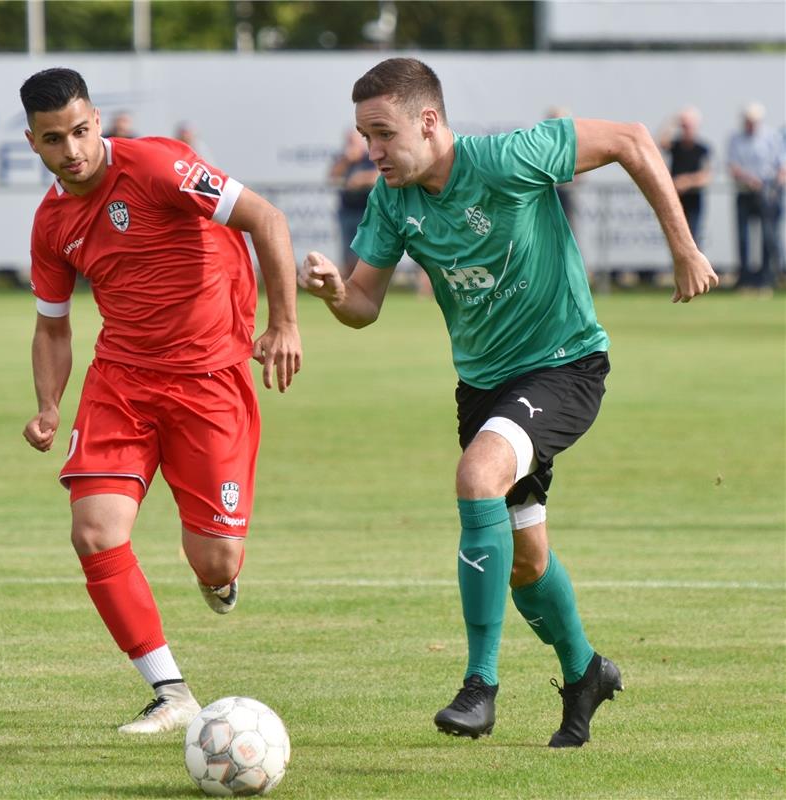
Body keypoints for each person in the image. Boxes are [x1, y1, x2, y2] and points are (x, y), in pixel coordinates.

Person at [299, 58, 717, 748]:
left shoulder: (508, 157)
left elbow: (633, 140)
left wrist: (682, 249)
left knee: (476, 478)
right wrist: (333, 293)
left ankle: (478, 686)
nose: (370, 151)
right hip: (484, 389)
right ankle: (585, 672)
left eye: (382, 133)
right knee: (523, 564)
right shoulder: (391, 200)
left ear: (428, 123)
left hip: (563, 366)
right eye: (361, 135)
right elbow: (364, 304)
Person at [20, 68, 302, 734]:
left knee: (215, 560)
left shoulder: (158, 166)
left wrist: (284, 323)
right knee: (92, 531)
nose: (74, 150)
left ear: (98, 121)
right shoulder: (51, 222)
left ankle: (220, 576)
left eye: (82, 131)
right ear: (32, 142)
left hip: (209, 384)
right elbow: (52, 324)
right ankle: (171, 692)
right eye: (55, 139)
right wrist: (50, 405)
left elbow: (266, 218)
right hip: (122, 383)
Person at [727, 102, 786, 294]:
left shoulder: (772, 137)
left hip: (768, 194)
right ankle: (744, 279)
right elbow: (733, 166)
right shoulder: (735, 138)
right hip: (745, 192)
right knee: (743, 237)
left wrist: (774, 185)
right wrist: (749, 179)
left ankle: (766, 279)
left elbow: (781, 165)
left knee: (768, 237)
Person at [328, 128, 379, 277]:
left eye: (354, 140)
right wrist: (346, 161)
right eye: (348, 141)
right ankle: (349, 285)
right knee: (347, 254)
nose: (351, 144)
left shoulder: (371, 157)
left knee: (366, 253)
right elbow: (332, 177)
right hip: (346, 212)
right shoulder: (342, 159)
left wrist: (361, 179)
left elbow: (380, 176)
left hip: (367, 212)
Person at [658, 107, 712, 245]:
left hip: (694, 200)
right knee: (676, 240)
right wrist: (673, 122)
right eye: (684, 126)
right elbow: (659, 143)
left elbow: (706, 175)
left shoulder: (702, 149)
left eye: (689, 126)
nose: (686, 130)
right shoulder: (675, 146)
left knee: (693, 239)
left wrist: (686, 181)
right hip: (676, 199)